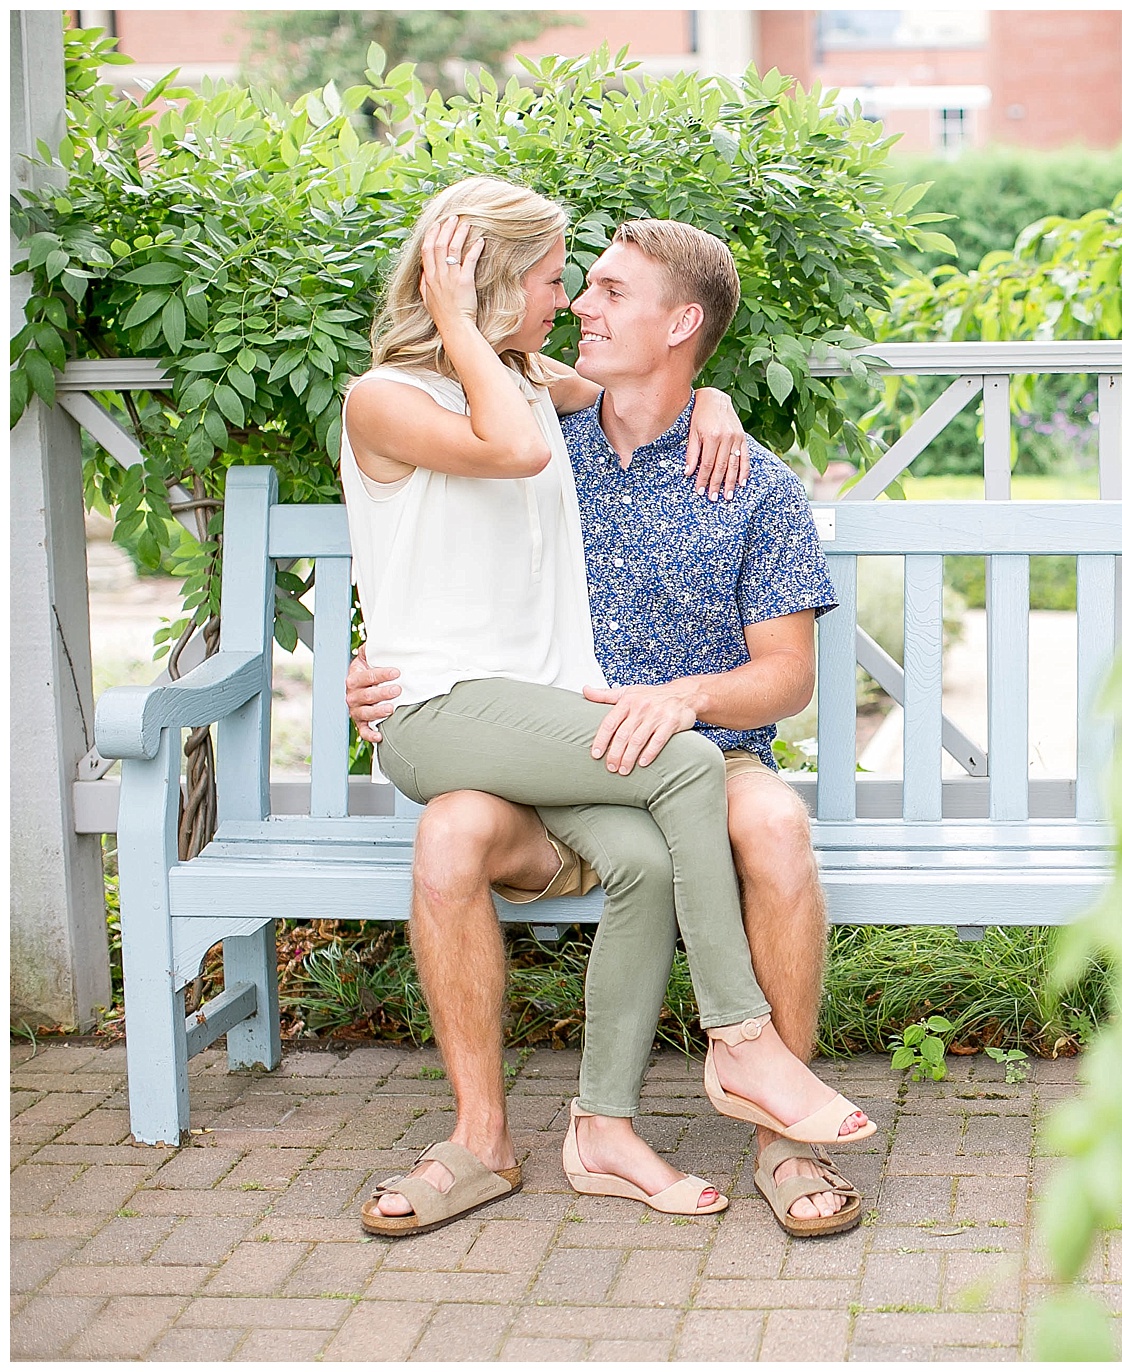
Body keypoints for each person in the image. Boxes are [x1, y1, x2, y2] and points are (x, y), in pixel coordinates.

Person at [341, 176, 867, 1238]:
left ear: (677, 325)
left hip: (606, 746)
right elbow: (474, 489)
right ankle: (690, 1058)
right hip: (515, 730)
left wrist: (708, 400)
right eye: (558, 281)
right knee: (464, 826)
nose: (576, 300)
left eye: (601, 288)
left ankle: (658, 1131)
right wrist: (383, 659)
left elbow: (787, 671)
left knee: (727, 820)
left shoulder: (698, 458)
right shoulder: (515, 415)